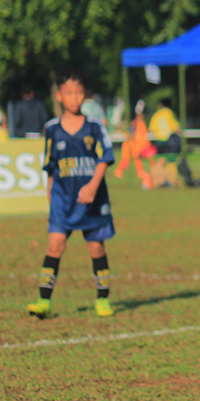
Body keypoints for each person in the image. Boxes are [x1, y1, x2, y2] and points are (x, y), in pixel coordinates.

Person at [27, 70, 115, 319]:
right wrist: (50, 202)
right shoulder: (52, 129)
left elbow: (104, 158)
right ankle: (43, 301)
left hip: (92, 201)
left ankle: (103, 300)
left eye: (78, 93)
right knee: (55, 246)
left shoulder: (95, 127)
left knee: (96, 248)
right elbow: (50, 169)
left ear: (84, 95)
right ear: (59, 96)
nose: (74, 98)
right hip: (62, 201)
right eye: (68, 93)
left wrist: (92, 186)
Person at [114, 100, 154, 189]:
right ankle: (121, 171)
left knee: (145, 159)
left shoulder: (140, 123)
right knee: (131, 159)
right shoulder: (135, 123)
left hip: (142, 145)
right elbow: (131, 133)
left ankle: (146, 172)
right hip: (137, 146)